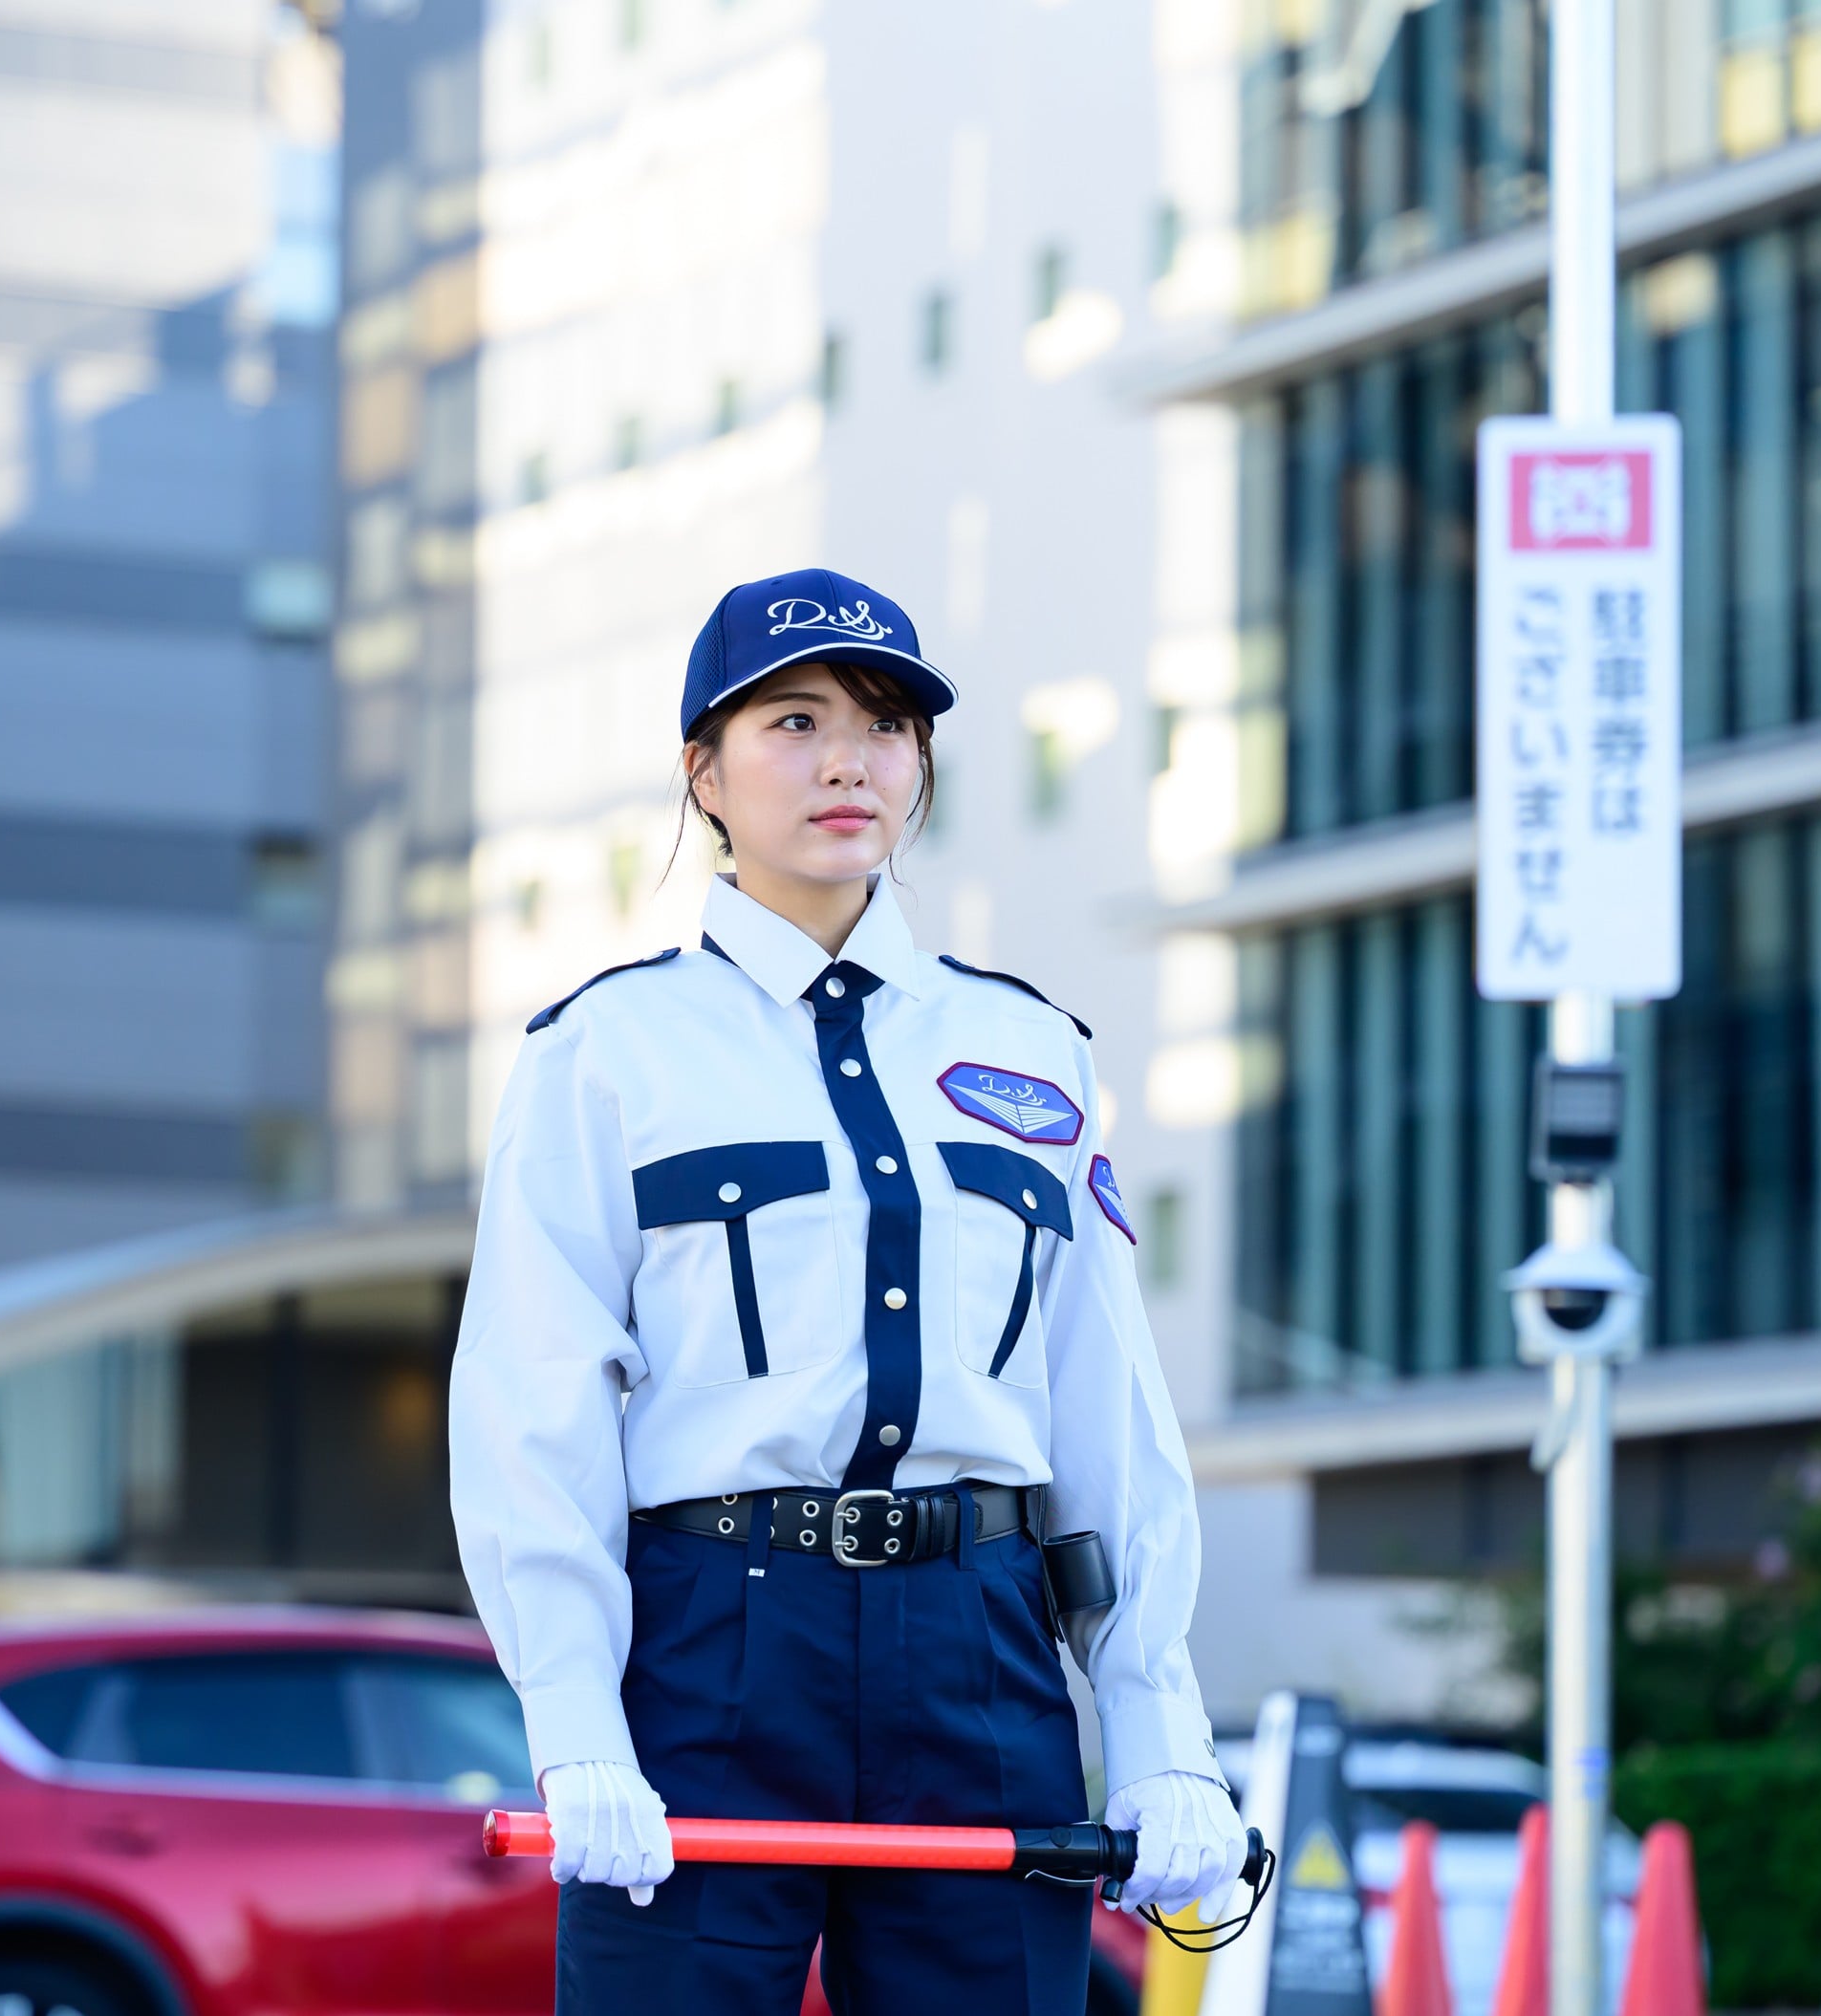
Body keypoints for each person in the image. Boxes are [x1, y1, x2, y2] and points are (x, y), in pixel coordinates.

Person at [449, 567, 1246, 2012]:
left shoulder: (1033, 1053)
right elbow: (529, 1401)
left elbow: (1105, 1414)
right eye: (794, 721)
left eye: (885, 727)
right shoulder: (603, 1051)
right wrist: (572, 1718)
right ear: (701, 770)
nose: (845, 761)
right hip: (708, 1644)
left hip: (979, 1647)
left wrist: (1158, 1725)